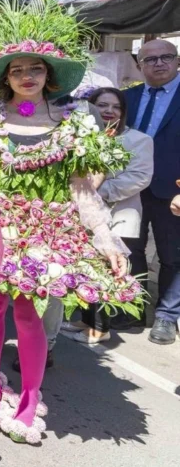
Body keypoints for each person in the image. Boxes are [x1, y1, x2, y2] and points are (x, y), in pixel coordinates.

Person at [0, 0, 143, 445]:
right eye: (18, 70)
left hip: (46, 234)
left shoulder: (74, 121)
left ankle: (31, 399)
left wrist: (107, 241)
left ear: (48, 75)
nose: (28, 76)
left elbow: (82, 190)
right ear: (6, 78)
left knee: (30, 317)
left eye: (35, 68)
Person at [60, 88, 153, 344]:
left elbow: (140, 178)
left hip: (119, 214)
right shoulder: (79, 137)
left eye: (116, 107)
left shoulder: (139, 139)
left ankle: (101, 328)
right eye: (102, 105)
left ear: (123, 113)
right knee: (87, 266)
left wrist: (97, 191)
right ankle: (86, 320)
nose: (109, 111)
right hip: (83, 214)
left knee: (108, 269)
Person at [123, 39, 180, 344]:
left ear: (177, 60)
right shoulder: (126, 98)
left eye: (166, 57)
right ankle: (133, 307)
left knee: (173, 256)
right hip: (130, 189)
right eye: (150, 59)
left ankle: (167, 316)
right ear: (139, 64)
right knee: (131, 250)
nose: (159, 63)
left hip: (171, 192)